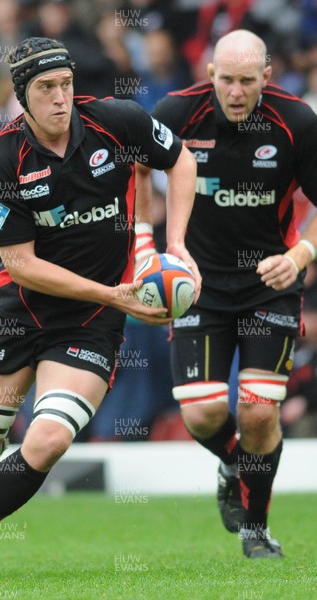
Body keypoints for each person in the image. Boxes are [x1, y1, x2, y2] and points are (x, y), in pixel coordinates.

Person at [0, 36, 200, 581]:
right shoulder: (2, 157)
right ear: (23, 94)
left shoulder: (120, 122)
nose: (61, 98)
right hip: (24, 311)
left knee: (48, 437)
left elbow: (181, 161)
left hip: (89, 324)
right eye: (46, 88)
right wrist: (112, 291)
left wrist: (174, 245)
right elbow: (20, 264)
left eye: (65, 84)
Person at [136, 29, 317, 559]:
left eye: (247, 81)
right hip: (198, 285)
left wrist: (299, 257)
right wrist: (148, 245)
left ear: (266, 77)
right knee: (203, 414)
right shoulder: (175, 114)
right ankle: (234, 462)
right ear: (210, 74)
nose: (235, 92)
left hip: (269, 283)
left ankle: (255, 528)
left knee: (260, 412)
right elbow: (139, 166)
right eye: (226, 80)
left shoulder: (297, 122)